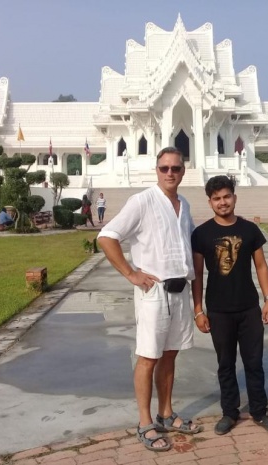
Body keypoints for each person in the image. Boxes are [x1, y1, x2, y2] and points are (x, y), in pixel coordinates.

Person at [97, 147, 202, 452]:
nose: (170, 173)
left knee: (170, 355)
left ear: (183, 171)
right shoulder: (142, 201)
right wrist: (131, 274)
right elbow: (107, 236)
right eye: (165, 168)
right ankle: (145, 422)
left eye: (176, 168)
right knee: (148, 357)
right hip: (153, 292)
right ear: (156, 170)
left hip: (180, 289)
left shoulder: (184, 204)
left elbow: (191, 246)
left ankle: (166, 413)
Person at [191, 175, 268, 436]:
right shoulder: (202, 234)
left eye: (226, 196)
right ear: (210, 202)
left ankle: (259, 412)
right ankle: (229, 413)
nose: (223, 202)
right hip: (218, 310)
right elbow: (197, 274)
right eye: (217, 198)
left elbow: (261, 266)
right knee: (226, 364)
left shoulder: (249, 230)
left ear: (234, 198)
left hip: (249, 308)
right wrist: (198, 310)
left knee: (254, 362)